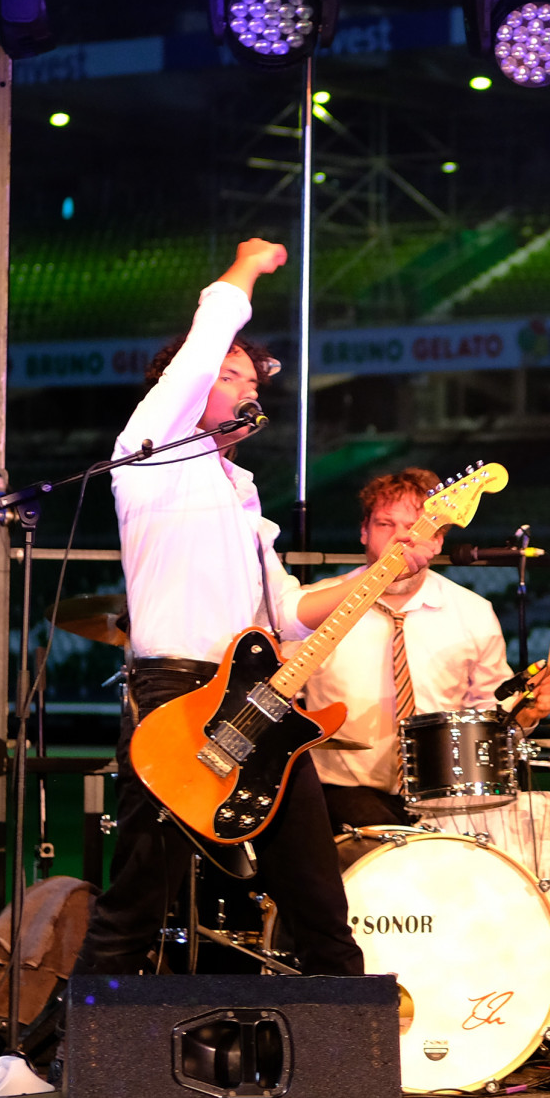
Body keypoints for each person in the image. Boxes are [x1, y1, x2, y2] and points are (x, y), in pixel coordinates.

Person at [74, 240, 433, 978]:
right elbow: (205, 343)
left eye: (250, 376)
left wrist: (385, 563)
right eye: (228, 374)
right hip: (177, 699)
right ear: (190, 385)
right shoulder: (151, 451)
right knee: (142, 893)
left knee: (315, 894)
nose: (244, 385)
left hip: (258, 704)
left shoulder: (239, 492)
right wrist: (244, 268)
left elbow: (293, 611)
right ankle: (65, 1061)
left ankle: (351, 1078)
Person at [303, 467, 550, 834]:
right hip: (340, 794)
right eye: (384, 525)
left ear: (438, 540)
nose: (400, 541)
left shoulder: (472, 613)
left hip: (445, 800)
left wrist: (526, 712)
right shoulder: (313, 609)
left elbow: (492, 720)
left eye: (417, 528)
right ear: (364, 531)